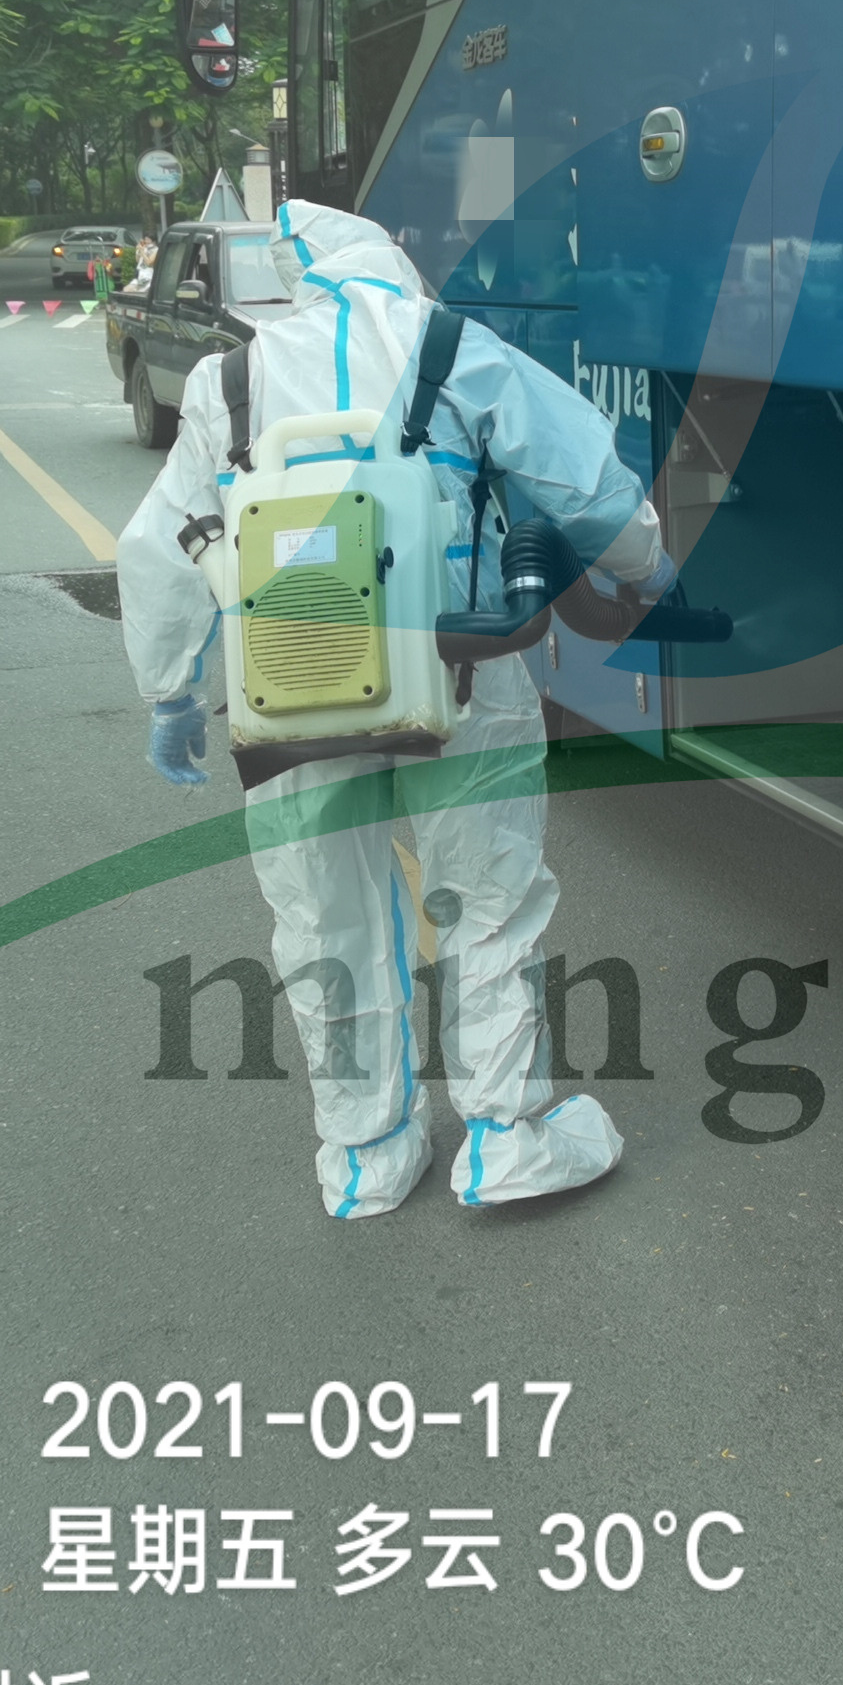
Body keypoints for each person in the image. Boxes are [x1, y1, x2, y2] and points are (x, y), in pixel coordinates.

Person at [115, 202, 675, 1220]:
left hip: (290, 690)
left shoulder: (229, 381)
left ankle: (367, 1153)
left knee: (322, 916)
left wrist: (171, 693)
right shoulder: (452, 348)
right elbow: (584, 478)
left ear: (301, 285)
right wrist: (648, 567)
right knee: (487, 899)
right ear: (397, 268)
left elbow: (161, 545)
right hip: (460, 676)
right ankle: (506, 1139)